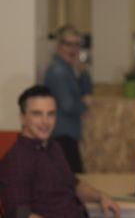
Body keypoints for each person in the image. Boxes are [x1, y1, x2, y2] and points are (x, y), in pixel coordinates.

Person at [0, 85, 120, 218]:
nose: (45, 121)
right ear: (22, 118)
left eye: (50, 114)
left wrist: (100, 196)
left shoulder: (54, 147)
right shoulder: (15, 160)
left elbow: (73, 184)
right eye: (37, 114)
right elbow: (19, 214)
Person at [44, 25, 92, 173]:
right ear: (59, 45)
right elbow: (68, 105)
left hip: (68, 134)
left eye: (77, 44)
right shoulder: (58, 71)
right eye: (68, 44)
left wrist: (81, 70)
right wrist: (84, 105)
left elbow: (87, 91)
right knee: (73, 181)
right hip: (62, 135)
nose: (73, 49)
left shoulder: (68, 68)